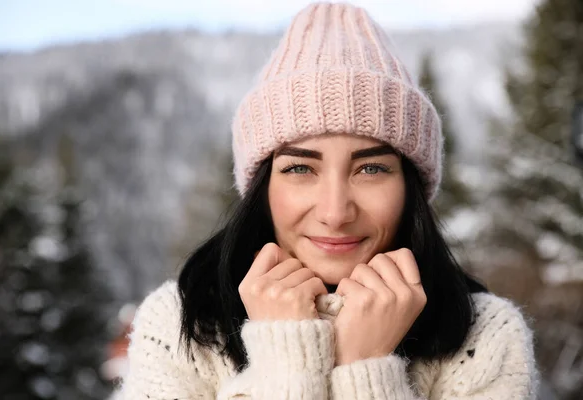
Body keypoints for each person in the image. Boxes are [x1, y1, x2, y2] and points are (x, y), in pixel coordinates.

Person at [118, 2, 538, 399]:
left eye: (371, 169)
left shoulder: (486, 335)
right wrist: (287, 360)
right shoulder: (178, 325)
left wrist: (368, 369)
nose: (336, 213)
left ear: (411, 186)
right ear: (262, 187)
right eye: (300, 169)